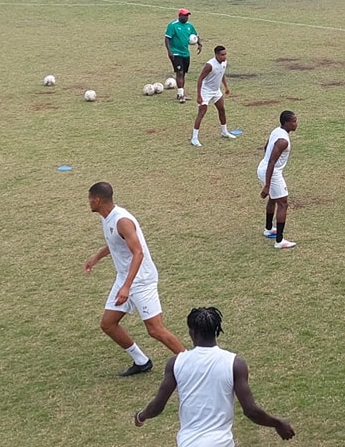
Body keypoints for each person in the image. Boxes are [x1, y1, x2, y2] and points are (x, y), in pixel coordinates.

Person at [134, 307, 295, 444]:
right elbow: (251, 410)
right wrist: (277, 423)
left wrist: (141, 416)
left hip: (188, 442)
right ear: (216, 331)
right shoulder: (235, 364)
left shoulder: (176, 363)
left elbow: (157, 406)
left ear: (192, 332)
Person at [83, 181, 185, 375]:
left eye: (89, 199)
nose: (88, 203)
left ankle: (191, 362)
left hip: (141, 281)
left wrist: (126, 287)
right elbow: (114, 243)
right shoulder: (106, 218)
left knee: (155, 329)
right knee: (108, 324)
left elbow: (138, 253)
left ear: (97, 200)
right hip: (125, 278)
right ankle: (141, 361)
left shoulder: (122, 220)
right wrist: (96, 257)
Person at [258, 111, 298, 249]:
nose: (296, 123)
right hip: (272, 172)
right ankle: (279, 241)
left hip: (263, 168)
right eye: (293, 121)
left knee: (274, 199)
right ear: (286, 123)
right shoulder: (283, 141)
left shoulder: (276, 131)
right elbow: (272, 162)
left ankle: (269, 229)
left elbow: (265, 148)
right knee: (283, 204)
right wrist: (267, 185)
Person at [190, 45, 236, 147]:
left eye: (225, 54)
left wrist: (226, 87)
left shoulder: (224, 63)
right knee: (201, 113)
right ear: (216, 55)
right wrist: (199, 96)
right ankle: (194, 138)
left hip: (216, 91)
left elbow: (222, 73)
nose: (224, 57)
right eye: (222, 55)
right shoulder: (209, 65)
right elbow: (200, 79)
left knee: (221, 110)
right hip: (205, 91)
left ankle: (224, 132)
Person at [165, 8, 202, 104]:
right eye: (184, 16)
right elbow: (167, 38)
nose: (186, 17)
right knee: (180, 72)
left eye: (187, 16)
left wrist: (199, 44)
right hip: (176, 53)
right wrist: (169, 51)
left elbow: (195, 35)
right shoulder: (173, 26)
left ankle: (179, 93)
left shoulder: (190, 26)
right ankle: (181, 95)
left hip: (185, 53)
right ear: (179, 16)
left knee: (183, 73)